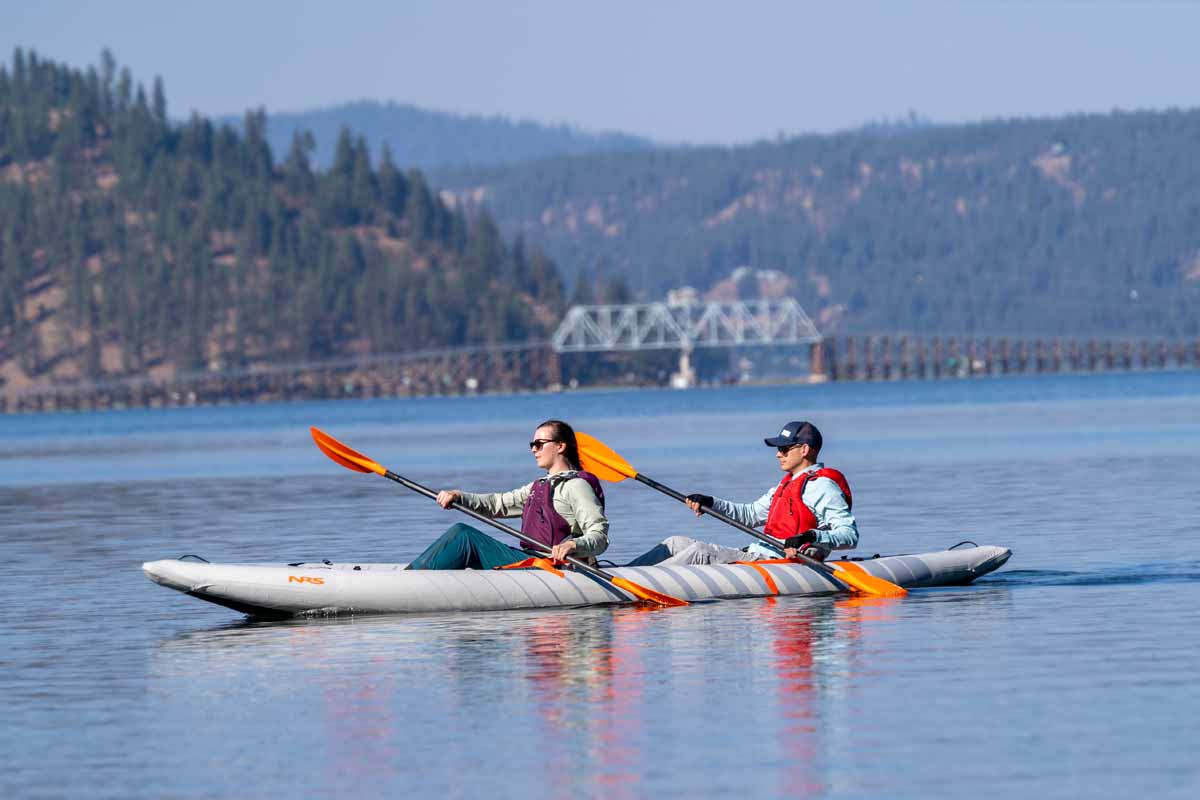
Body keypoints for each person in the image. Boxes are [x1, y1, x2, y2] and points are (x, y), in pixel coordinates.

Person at [627, 420, 857, 566]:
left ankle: (630, 586)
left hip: (777, 563)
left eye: (784, 449)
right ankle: (621, 574)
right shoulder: (786, 484)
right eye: (778, 449)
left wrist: (810, 537)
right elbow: (749, 514)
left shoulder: (824, 487)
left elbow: (849, 535)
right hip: (756, 553)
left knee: (699, 552)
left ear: (805, 450)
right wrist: (710, 502)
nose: (778, 454)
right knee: (675, 542)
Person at [406, 419, 609, 570]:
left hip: (554, 567)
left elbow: (599, 535)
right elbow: (497, 504)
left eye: (539, 444)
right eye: (532, 445)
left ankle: (411, 581)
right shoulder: (537, 487)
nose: (533, 450)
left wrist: (574, 544)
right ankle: (415, 575)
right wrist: (459, 496)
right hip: (531, 560)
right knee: (462, 535)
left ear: (560, 446)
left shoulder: (577, 486)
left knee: (464, 536)